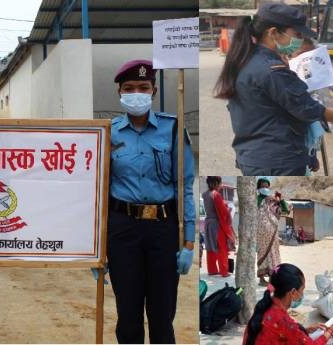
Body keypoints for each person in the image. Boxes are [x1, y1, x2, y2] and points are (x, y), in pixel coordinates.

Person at [214, 3, 333, 176]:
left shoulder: (246, 60)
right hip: (276, 161)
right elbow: (314, 112)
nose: (299, 39)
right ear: (274, 33)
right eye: (296, 33)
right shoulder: (272, 71)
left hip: (255, 156)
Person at [107, 59, 196, 343]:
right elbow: (99, 191)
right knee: (128, 318)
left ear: (154, 92)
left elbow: (185, 186)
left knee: (161, 317)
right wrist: (96, 246)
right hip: (123, 231)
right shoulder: (108, 133)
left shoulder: (172, 129)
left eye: (143, 87)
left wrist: (189, 242)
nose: (137, 93)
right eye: (129, 88)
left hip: (163, 230)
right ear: (120, 93)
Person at [243, 263, 333, 345]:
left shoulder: (266, 307)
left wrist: (303, 330)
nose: (302, 294)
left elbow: (279, 333)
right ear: (293, 292)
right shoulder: (282, 320)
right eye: (302, 289)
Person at [256, 177, 288, 286]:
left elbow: (286, 210)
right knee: (262, 253)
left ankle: (272, 277)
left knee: (274, 253)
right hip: (260, 233)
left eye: (266, 186)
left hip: (273, 232)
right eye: (262, 186)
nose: (264, 188)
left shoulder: (273, 200)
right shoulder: (256, 199)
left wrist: (281, 199)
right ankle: (261, 278)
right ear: (258, 187)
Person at [202, 176, 235, 277]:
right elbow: (223, 211)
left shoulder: (205, 194)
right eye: (220, 183)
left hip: (208, 223)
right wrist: (228, 210)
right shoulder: (216, 195)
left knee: (210, 247)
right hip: (217, 224)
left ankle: (212, 270)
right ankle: (224, 271)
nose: (221, 185)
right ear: (216, 183)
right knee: (221, 247)